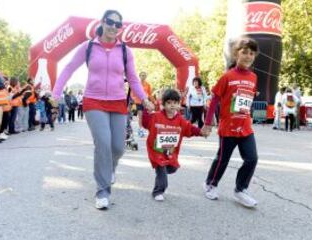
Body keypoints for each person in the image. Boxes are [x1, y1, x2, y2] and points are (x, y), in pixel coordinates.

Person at [52, 9, 154, 210]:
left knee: (118, 147)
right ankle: (102, 190)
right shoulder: (88, 46)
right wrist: (55, 94)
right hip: (94, 101)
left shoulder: (125, 50)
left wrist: (145, 99)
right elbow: (68, 68)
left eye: (118, 24)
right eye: (110, 22)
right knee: (103, 144)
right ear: (102, 22)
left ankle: (110, 169)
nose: (114, 27)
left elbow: (133, 78)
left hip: (117, 102)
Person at [201, 37, 259, 208]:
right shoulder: (227, 76)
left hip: (245, 127)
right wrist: (208, 122)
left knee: (252, 159)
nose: (248, 56)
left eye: (251, 53)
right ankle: (210, 183)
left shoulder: (254, 77)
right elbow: (214, 100)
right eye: (244, 52)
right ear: (236, 54)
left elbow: (248, 99)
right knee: (222, 159)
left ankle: (240, 189)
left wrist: (249, 114)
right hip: (228, 127)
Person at [142, 89, 209, 201]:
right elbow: (145, 123)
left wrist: (201, 132)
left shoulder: (180, 120)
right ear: (163, 104)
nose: (172, 105)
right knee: (162, 170)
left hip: (170, 152)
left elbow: (190, 129)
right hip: (157, 152)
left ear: (179, 104)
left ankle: (161, 172)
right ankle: (158, 191)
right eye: (169, 103)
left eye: (175, 103)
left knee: (173, 168)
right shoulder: (156, 117)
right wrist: (146, 110)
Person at [131, 71, 153, 137]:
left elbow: (150, 94)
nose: (143, 77)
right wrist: (134, 100)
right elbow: (132, 93)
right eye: (142, 75)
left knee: (145, 116)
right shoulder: (136, 84)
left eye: (144, 75)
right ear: (139, 76)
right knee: (140, 115)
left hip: (145, 102)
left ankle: (145, 128)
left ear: (146, 76)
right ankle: (140, 130)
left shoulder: (148, 85)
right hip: (138, 102)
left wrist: (153, 102)